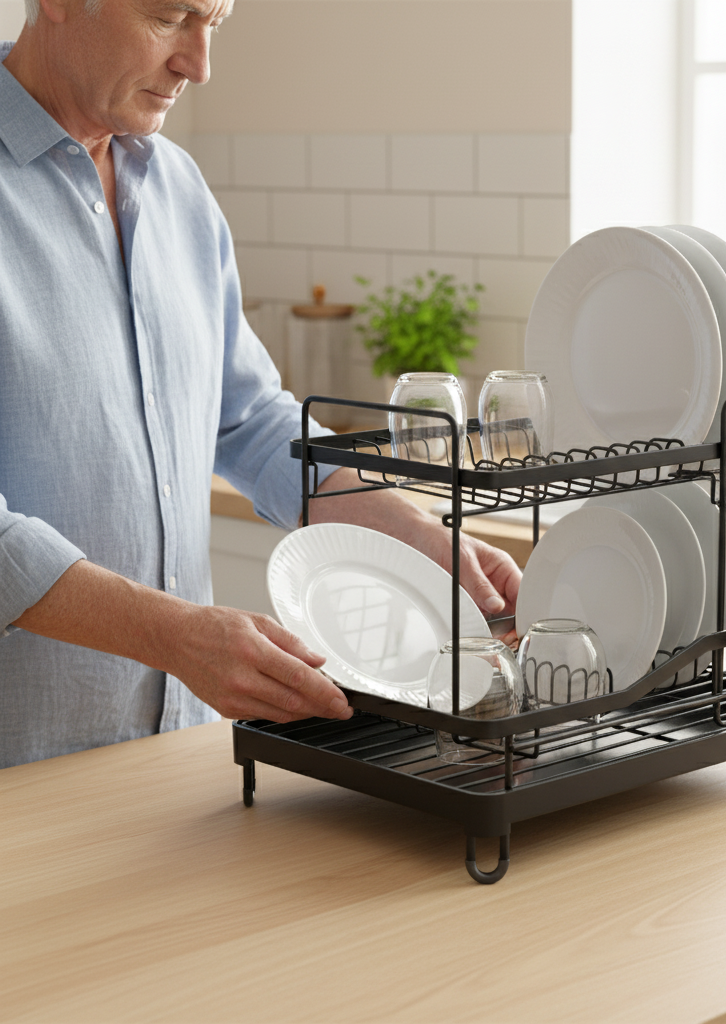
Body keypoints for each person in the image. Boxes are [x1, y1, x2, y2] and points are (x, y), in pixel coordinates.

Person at [0, 0, 520, 768]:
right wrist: (172, 633)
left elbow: (245, 417)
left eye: (216, 21)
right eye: (171, 15)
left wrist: (405, 528)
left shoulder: (177, 189)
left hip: (168, 763)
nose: (198, 64)